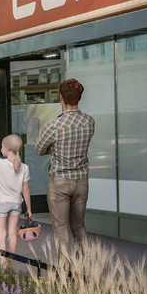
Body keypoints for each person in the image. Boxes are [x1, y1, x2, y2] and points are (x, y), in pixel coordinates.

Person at [35, 78, 94, 263]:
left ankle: (64, 272)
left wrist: (55, 149)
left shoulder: (54, 125)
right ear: (79, 98)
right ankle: (83, 269)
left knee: (61, 229)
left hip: (59, 181)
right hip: (81, 180)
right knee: (79, 227)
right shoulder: (89, 122)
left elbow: (39, 150)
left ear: (61, 98)